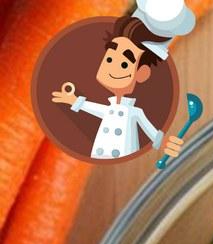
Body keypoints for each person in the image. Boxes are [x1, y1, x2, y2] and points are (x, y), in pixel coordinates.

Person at [48, 17, 186, 162]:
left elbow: (151, 131)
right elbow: (97, 109)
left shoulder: (135, 112)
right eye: (109, 60)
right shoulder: (110, 105)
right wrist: (75, 101)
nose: (111, 68)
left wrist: (164, 143)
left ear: (142, 73)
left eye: (124, 65)